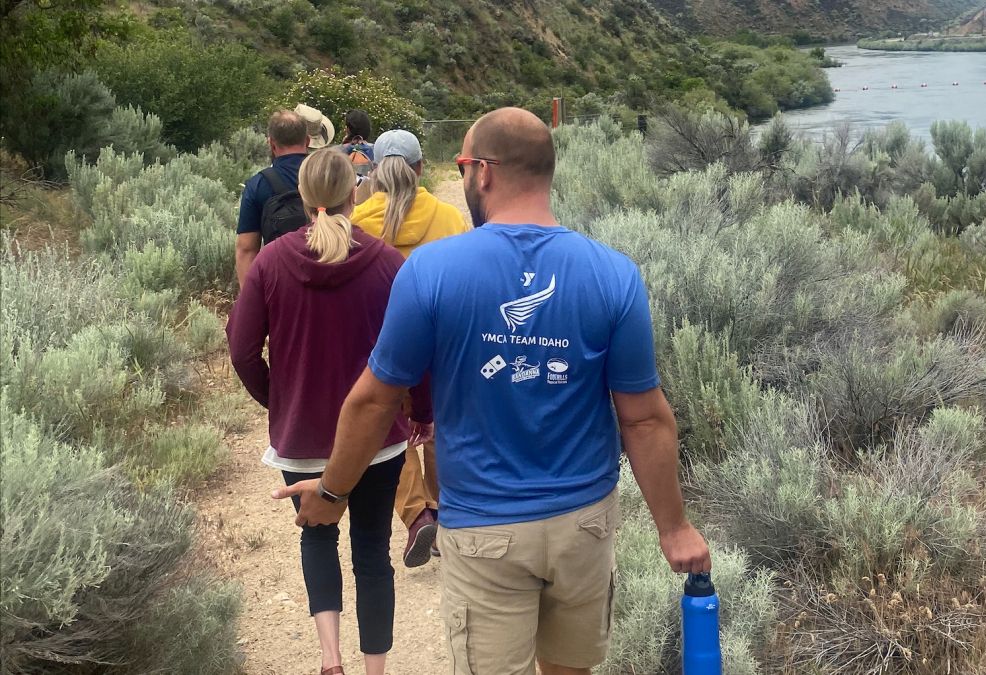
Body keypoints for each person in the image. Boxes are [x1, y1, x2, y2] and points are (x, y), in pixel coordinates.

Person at [275, 108, 711, 675]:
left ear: (483, 171)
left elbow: (374, 400)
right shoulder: (613, 274)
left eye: (461, 165)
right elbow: (644, 419)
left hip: (484, 526)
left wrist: (333, 493)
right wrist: (674, 528)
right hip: (583, 522)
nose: (462, 177)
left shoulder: (431, 271)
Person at [228, 149, 432, 675]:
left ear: (303, 197)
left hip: (302, 436)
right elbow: (419, 347)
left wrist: (279, 399)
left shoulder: (271, 262)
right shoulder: (387, 263)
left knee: (316, 535)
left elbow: (242, 350)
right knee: (372, 551)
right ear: (354, 193)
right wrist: (423, 411)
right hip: (377, 438)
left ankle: (329, 658)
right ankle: (375, 670)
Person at [350, 128, 470, 568]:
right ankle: (446, 512)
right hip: (440, 344)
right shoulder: (448, 218)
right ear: (420, 168)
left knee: (391, 428)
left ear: (374, 172)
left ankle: (417, 514)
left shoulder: (357, 221)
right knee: (438, 424)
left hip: (379, 344)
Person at [234, 110, 308, 287]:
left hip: (280, 286)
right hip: (328, 283)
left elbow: (247, 249)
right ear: (307, 141)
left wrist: (250, 298)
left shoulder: (258, 184)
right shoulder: (327, 175)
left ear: (271, 144)